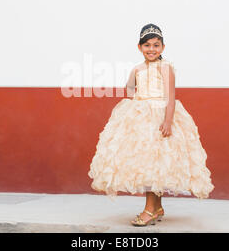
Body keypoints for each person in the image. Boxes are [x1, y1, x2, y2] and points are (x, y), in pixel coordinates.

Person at [87, 23, 214, 226]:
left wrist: (168, 121)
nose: (152, 49)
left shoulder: (165, 68)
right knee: (149, 162)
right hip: (140, 117)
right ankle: (157, 207)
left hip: (160, 116)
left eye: (156, 45)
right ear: (140, 47)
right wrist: (135, 99)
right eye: (147, 45)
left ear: (163, 47)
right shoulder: (137, 69)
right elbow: (129, 87)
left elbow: (171, 97)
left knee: (156, 162)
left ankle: (149, 210)